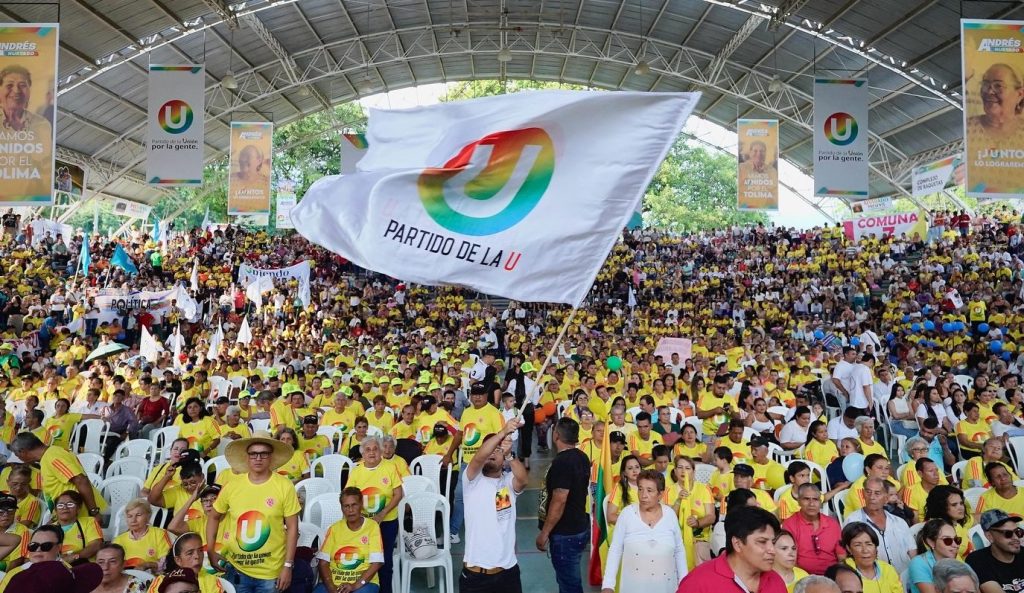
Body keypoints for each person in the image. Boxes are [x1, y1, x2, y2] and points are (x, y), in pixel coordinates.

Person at [207, 432, 300, 593]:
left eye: (264, 453)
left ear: (271, 457)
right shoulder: (232, 486)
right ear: (247, 457)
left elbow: (292, 528)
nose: (258, 458)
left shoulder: (284, 486)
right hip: (236, 569)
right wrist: (210, 550)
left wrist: (288, 565)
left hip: (271, 572)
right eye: (253, 454)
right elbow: (214, 516)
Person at [460, 416, 528, 593]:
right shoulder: (471, 479)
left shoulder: (509, 482)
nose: (491, 453)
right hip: (476, 576)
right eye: (489, 448)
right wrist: (503, 432)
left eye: (497, 450)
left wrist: (510, 455)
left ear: (503, 458)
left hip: (508, 572)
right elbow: (478, 458)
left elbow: (523, 480)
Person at [602, 469, 687, 593]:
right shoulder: (627, 514)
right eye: (640, 489)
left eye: (649, 490)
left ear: (660, 494)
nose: (643, 495)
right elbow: (615, 549)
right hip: (633, 586)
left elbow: (679, 550)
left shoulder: (670, 515)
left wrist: (684, 583)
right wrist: (608, 585)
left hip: (666, 586)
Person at [674, 505, 786, 593]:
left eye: (773, 542)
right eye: (762, 542)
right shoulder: (698, 582)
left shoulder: (775, 581)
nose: (772, 550)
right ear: (737, 544)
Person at [536, 417, 590, 593]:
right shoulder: (582, 457)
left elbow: (559, 499)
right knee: (568, 580)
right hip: (579, 526)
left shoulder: (562, 462)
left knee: (569, 585)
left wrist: (545, 532)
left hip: (565, 533)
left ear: (556, 435)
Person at [345, 435, 403, 593]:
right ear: (362, 453)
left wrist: (382, 514)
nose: (372, 452)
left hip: (387, 521)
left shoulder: (390, 468)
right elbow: (348, 496)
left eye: (375, 449)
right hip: (363, 524)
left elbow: (398, 494)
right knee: (364, 561)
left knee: (384, 561)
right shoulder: (356, 471)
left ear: (381, 451)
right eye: (368, 450)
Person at [451, 381, 504, 545]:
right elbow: (459, 434)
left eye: (480, 394)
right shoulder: (466, 412)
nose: (477, 397)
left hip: (485, 465)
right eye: (474, 394)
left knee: (487, 498)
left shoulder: (494, 413)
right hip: (467, 463)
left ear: (486, 395)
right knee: (459, 497)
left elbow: (502, 437)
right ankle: (453, 532)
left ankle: (493, 529)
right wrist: (448, 454)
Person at [9, 433, 105, 517]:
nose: (20, 459)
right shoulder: (47, 457)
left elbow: (80, 480)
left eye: (18, 456)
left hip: (81, 514)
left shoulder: (53, 456)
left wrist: (93, 511)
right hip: (68, 513)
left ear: (23, 451)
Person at [316, 487, 384, 593]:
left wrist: (355, 585)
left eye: (354, 505)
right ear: (341, 508)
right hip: (335, 583)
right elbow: (323, 563)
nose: (350, 510)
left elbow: (377, 563)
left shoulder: (372, 527)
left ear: (361, 505)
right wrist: (331, 587)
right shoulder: (334, 528)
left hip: (363, 583)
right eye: (346, 506)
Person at [844, 477, 914, 573]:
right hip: (872, 577)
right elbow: (848, 555)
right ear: (863, 494)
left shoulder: (899, 522)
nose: (872, 497)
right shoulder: (852, 521)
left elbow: (912, 550)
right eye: (868, 492)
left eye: (877, 493)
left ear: (886, 498)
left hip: (905, 576)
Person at [782, 482, 845, 575]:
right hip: (802, 577)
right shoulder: (789, 524)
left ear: (820, 502)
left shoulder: (832, 524)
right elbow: (789, 559)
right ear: (798, 501)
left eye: (815, 499)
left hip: (832, 576)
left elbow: (841, 556)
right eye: (806, 499)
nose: (811, 504)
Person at [965, 510, 1024, 593]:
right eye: (1008, 533)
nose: (1016, 538)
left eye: (1018, 532)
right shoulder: (977, 560)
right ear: (990, 536)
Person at [111, 498, 172, 572]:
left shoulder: (159, 534)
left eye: (138, 515)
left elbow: (167, 563)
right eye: (130, 516)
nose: (133, 520)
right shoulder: (118, 540)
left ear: (148, 517)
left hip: (152, 576)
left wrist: (147, 565)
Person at [840, 521, 903, 593]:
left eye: (869, 544)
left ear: (875, 547)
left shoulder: (888, 570)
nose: (865, 550)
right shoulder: (843, 574)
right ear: (849, 548)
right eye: (858, 545)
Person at [907, 519, 962, 593]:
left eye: (957, 539)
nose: (955, 545)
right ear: (931, 542)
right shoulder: (918, 563)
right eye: (947, 540)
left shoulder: (956, 559)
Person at [50, 490, 103, 563]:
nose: (65, 508)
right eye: (60, 505)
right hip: (56, 566)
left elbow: (96, 546)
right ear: (55, 510)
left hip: (85, 565)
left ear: (78, 508)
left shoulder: (89, 522)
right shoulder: (49, 528)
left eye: (70, 504)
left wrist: (74, 556)